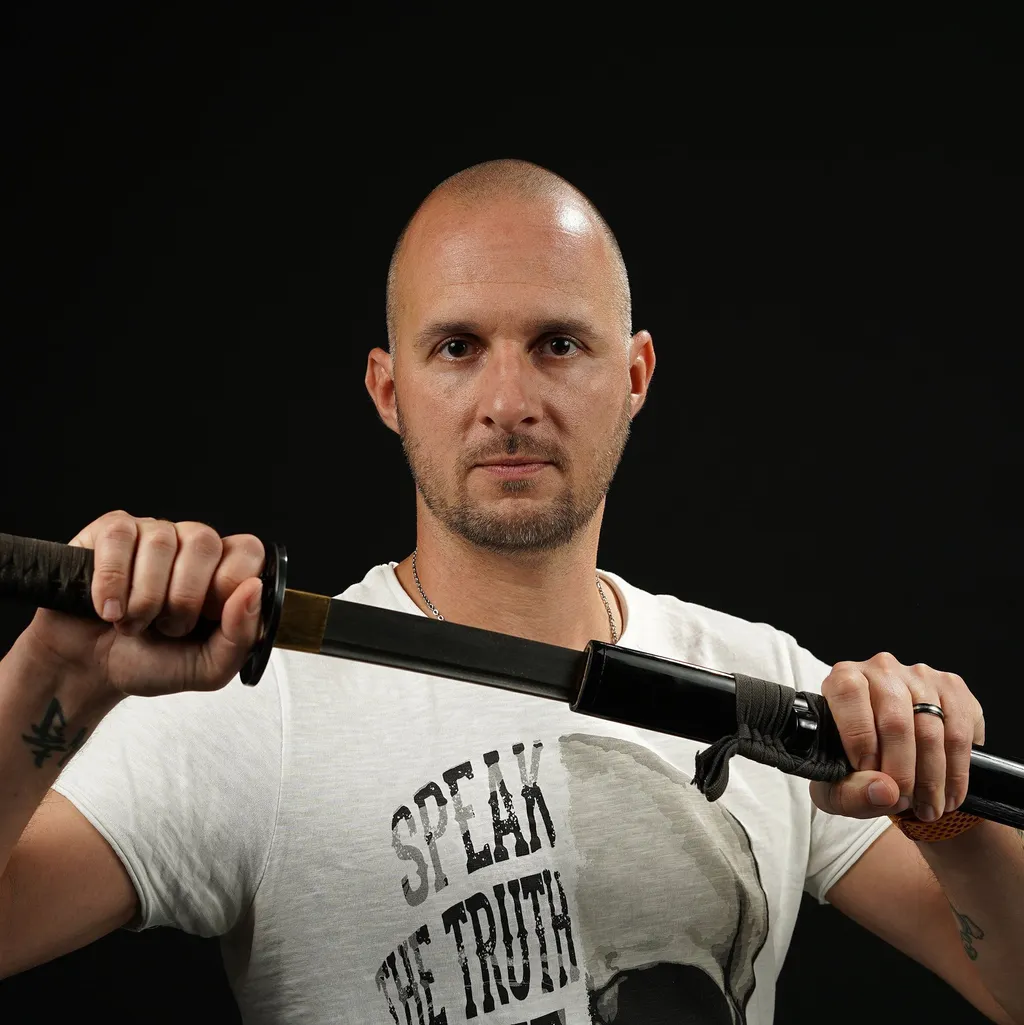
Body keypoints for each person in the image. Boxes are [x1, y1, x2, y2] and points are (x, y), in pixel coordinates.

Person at [0, 159, 1021, 1025]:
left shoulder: (764, 687)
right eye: (456, 348)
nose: (507, 403)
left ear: (634, 374)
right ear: (387, 389)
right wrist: (56, 670)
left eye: (557, 344)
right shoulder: (257, 704)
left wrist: (952, 813)